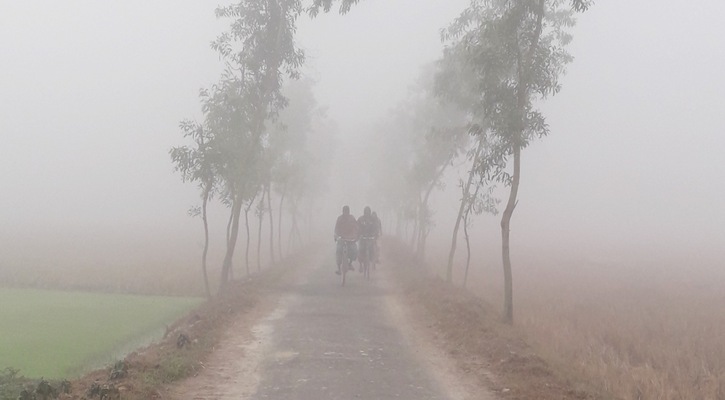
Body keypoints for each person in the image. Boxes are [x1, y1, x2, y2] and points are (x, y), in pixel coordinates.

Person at [334, 205, 359, 275]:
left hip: (350, 239)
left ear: (349, 211)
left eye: (347, 211)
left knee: (355, 251)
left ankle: (350, 263)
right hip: (341, 238)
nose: (346, 213)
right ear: (342, 211)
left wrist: (356, 236)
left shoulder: (352, 218)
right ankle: (339, 268)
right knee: (338, 250)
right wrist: (336, 236)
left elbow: (356, 227)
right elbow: (336, 228)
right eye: (344, 211)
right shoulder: (339, 219)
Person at [357, 206, 378, 273]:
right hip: (362, 238)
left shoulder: (373, 220)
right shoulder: (360, 219)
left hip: (370, 238)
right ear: (364, 212)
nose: (367, 213)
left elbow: (376, 228)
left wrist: (375, 235)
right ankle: (360, 265)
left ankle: (372, 260)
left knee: (372, 250)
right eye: (366, 212)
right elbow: (357, 227)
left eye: (368, 212)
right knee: (360, 250)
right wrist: (359, 235)